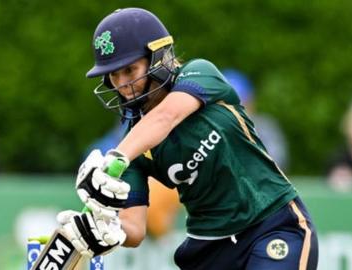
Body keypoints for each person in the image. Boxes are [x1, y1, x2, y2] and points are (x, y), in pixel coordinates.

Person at [57, 8, 318, 270]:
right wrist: (106, 230)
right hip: (210, 248)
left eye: (129, 69)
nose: (123, 84)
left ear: (158, 58)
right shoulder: (133, 145)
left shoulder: (199, 73)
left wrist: (115, 158)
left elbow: (166, 116)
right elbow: (135, 229)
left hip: (272, 224)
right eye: (115, 74)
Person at [221, 69, 289, 170]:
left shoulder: (265, 127)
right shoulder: (207, 132)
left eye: (239, 104)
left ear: (251, 102)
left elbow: (278, 161)